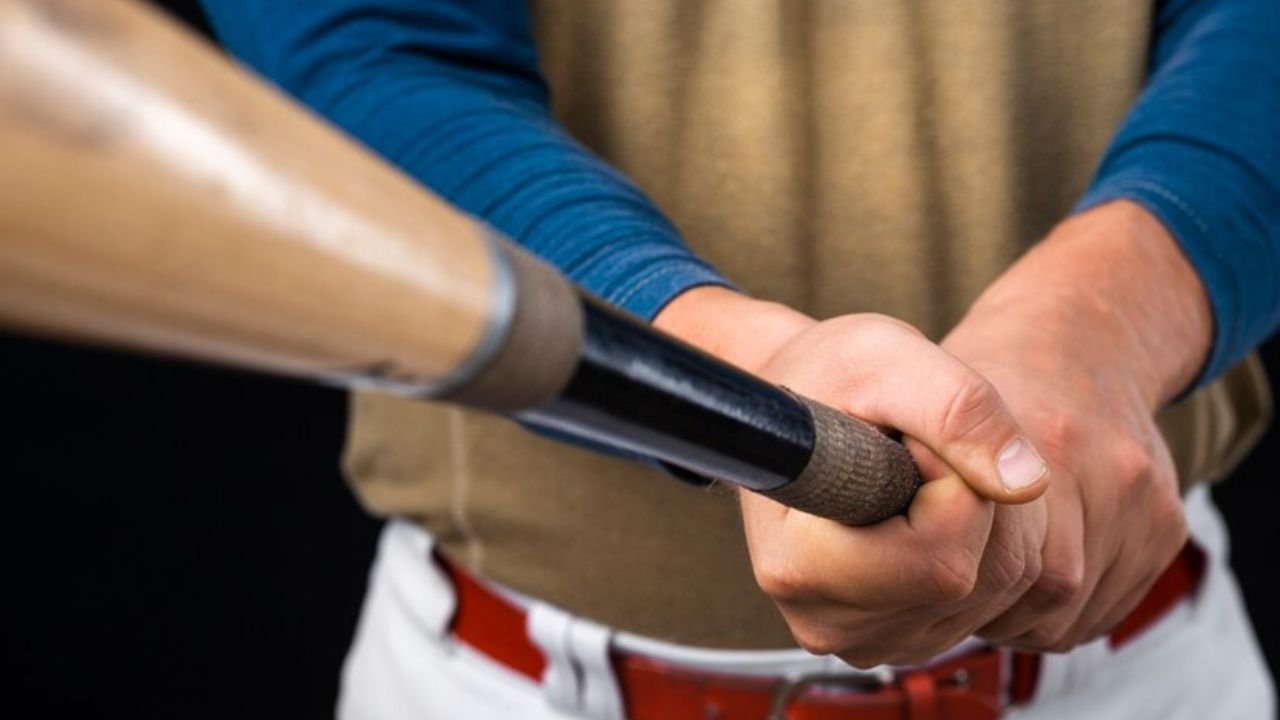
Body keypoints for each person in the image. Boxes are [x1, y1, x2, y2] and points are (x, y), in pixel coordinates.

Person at [201, 1, 1279, 717]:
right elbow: (357, 45)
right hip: (512, 687)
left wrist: (1101, 319)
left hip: (1138, 679)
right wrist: (727, 353)